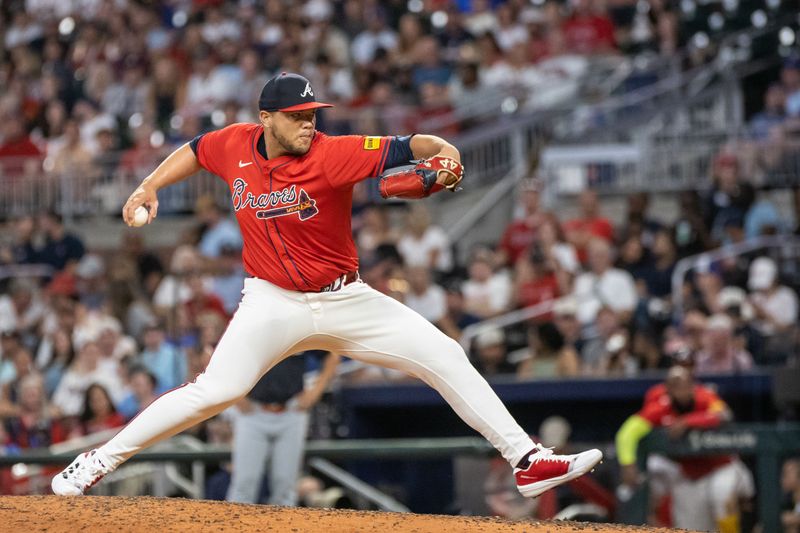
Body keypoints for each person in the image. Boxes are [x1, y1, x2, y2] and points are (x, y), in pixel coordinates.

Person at [52, 72, 601, 498]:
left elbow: (419, 145)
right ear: (265, 118)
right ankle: (99, 460)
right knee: (215, 391)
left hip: (346, 298)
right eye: (296, 116)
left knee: (446, 354)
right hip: (271, 300)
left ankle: (526, 461)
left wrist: (448, 157)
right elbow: (195, 150)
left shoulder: (334, 153)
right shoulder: (234, 144)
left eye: (312, 113)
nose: (308, 123)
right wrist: (148, 185)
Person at [615, 366, 754, 532]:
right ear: (667, 390)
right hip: (690, 474)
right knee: (690, 528)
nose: (681, 390)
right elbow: (627, 433)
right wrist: (627, 463)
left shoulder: (705, 397)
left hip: (722, 467)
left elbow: (724, 415)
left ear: (692, 386)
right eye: (675, 385)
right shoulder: (660, 409)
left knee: (721, 495)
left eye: (685, 384)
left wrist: (688, 421)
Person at [227, 351, 339, 506]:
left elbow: (331, 356)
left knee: (285, 487)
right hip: (254, 411)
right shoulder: (254, 327)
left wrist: (315, 392)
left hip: (291, 411)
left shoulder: (299, 328)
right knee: (244, 483)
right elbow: (221, 355)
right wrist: (235, 395)